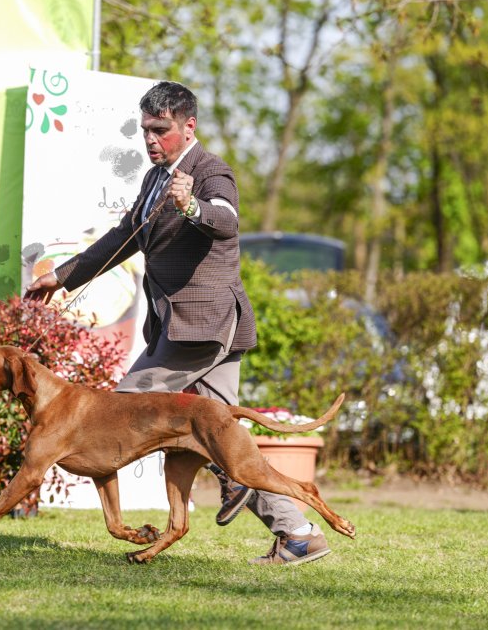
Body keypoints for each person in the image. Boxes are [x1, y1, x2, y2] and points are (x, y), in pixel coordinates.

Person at [25, 81, 330, 566]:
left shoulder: (211, 171)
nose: (150, 139)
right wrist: (61, 277)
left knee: (118, 412)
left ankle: (174, 502)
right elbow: (123, 237)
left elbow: (226, 220)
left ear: (189, 126)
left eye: (160, 129)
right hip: (195, 328)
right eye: (145, 129)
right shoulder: (154, 178)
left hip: (200, 328)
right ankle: (298, 534)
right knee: (227, 441)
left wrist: (191, 206)